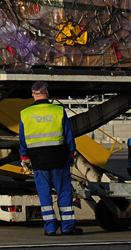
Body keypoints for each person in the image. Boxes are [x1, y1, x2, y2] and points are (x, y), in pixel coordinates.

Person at [19, 81, 82, 236]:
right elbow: (68, 136)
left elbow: (22, 139)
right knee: (64, 191)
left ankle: (50, 228)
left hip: (38, 159)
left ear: (33, 95)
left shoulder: (25, 114)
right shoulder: (59, 110)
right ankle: (67, 227)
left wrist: (24, 157)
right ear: (47, 93)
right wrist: (71, 153)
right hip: (59, 157)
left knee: (44, 193)